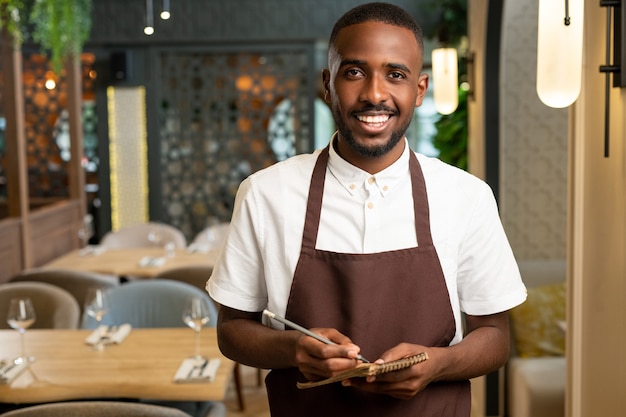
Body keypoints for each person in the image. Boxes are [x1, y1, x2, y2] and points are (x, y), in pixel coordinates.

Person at [208, 2, 527, 416]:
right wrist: (294, 348)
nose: (375, 94)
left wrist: (439, 364)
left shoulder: (466, 196)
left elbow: (495, 336)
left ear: (420, 89)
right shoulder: (265, 193)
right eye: (354, 72)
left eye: (396, 75)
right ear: (328, 83)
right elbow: (232, 330)